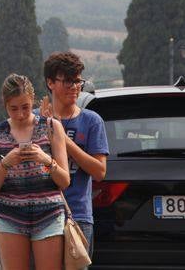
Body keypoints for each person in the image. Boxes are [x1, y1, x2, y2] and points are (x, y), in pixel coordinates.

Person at [0, 73, 70, 270]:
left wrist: (45, 159)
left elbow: (64, 181)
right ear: (4, 105)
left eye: (26, 107)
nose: (21, 114)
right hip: (10, 216)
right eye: (13, 109)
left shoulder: (51, 127)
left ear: (33, 101)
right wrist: (5, 164)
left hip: (49, 214)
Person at [41, 51, 109, 261]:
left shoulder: (91, 121)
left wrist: (62, 136)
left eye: (78, 81)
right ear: (50, 82)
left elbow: (99, 171)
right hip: (40, 213)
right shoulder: (36, 118)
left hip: (77, 215)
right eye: (68, 82)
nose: (75, 88)